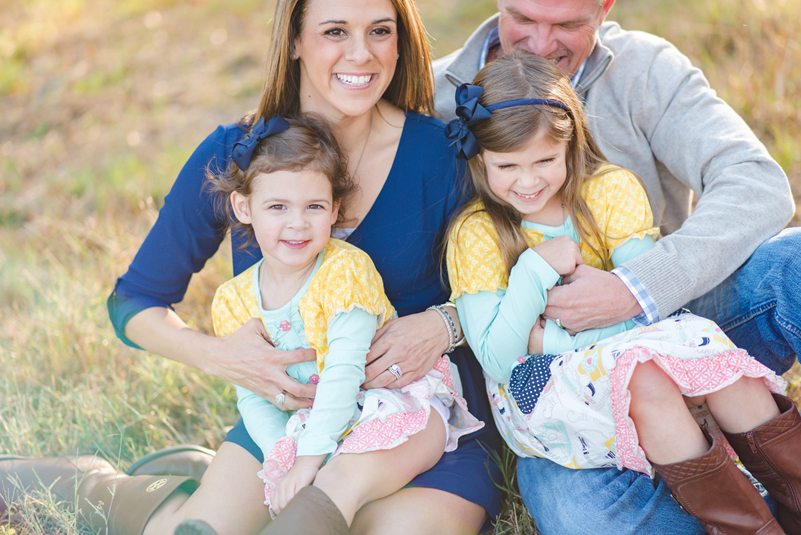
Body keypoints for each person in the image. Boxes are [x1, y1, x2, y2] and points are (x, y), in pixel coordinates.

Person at [0, 0, 502, 533]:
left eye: (380, 30)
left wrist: (442, 324)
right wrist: (224, 359)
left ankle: (197, 473)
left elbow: (515, 285)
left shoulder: (442, 155)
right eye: (335, 31)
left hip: (427, 424)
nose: (362, 53)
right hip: (292, 421)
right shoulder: (239, 155)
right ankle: (103, 490)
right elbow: (134, 303)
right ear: (293, 40)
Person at [433, 1, 800, 533]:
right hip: (549, 392)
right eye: (525, 18)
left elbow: (758, 185)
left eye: (566, 24)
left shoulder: (643, 82)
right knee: (587, 514)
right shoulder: (438, 98)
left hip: (664, 320)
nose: (540, 44)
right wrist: (535, 274)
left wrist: (635, 288)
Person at [201, 114, 481, 533]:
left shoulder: (344, 271)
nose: (297, 223)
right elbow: (253, 395)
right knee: (267, 498)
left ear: (334, 209)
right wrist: (284, 456)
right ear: (243, 207)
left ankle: (316, 511)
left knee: (330, 488)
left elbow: (345, 370)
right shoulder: (233, 300)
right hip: (315, 424)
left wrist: (312, 459)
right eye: (277, 207)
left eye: (313, 207)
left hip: (394, 401)